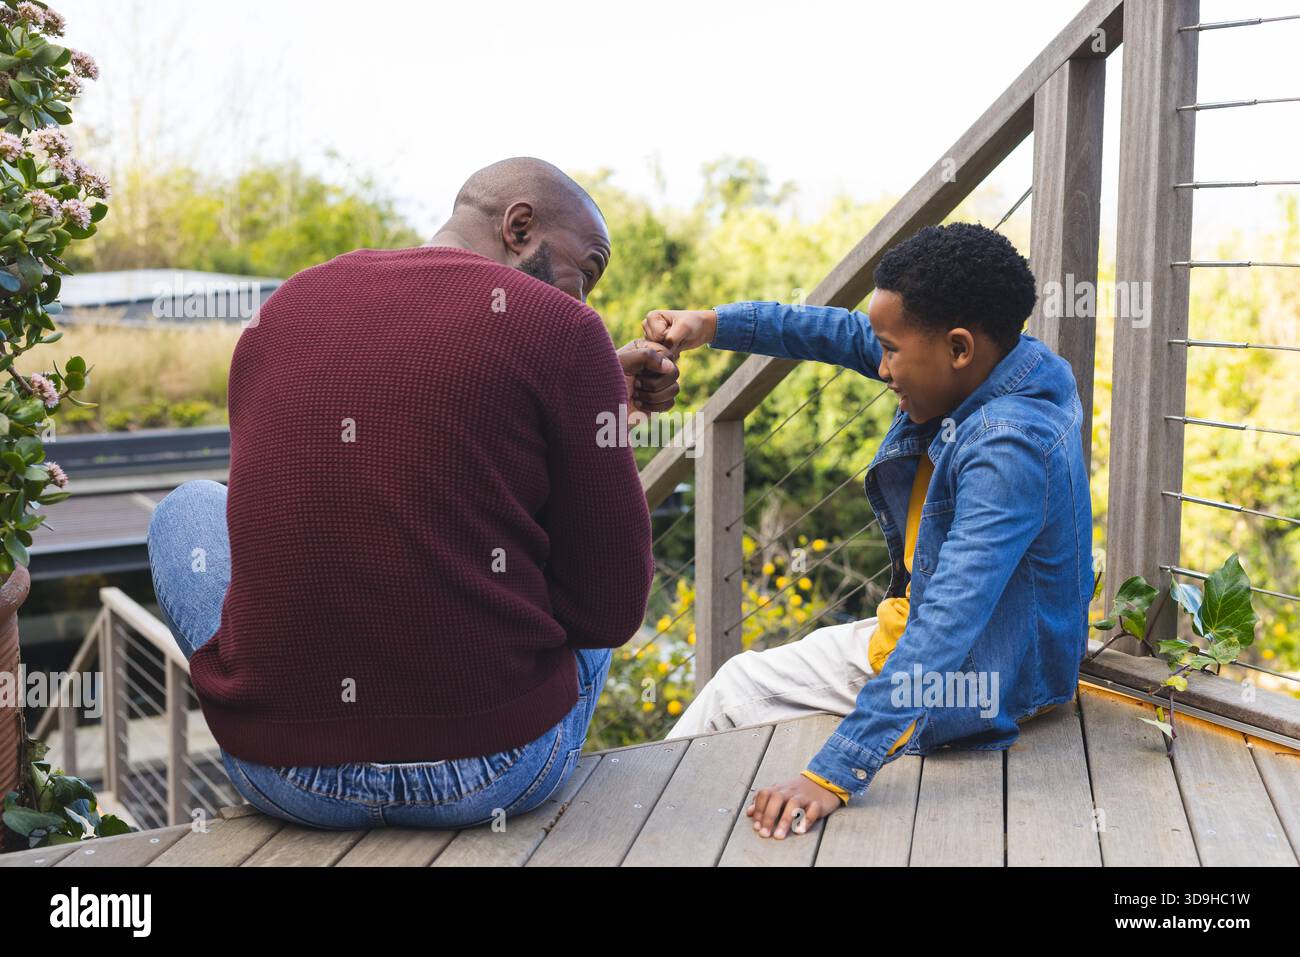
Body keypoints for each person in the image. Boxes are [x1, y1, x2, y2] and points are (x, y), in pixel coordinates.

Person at [147, 157, 679, 830]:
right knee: (575, 542)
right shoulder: (568, 331)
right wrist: (591, 401)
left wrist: (593, 389)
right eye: (588, 269)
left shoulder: (284, 307)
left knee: (187, 507)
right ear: (520, 226)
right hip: (494, 771)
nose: (584, 301)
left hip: (285, 772)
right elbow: (609, 610)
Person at [644, 222, 1093, 839]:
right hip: (998, 652)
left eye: (890, 350)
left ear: (959, 349)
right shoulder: (1016, 365)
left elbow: (948, 621)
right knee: (744, 688)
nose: (879, 366)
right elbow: (840, 332)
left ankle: (649, 835)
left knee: (734, 691)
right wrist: (713, 323)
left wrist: (834, 772)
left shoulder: (1004, 450)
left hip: (976, 678)